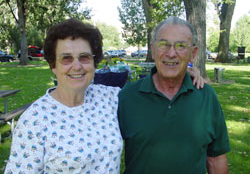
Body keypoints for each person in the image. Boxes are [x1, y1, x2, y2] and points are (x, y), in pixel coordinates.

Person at [4, 19, 123, 174]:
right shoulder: (34, 120)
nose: (77, 66)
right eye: (66, 58)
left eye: (84, 57)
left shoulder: (110, 98)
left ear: (94, 62)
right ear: (53, 65)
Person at [118, 17, 230, 174]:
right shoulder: (126, 97)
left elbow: (216, 159)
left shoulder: (206, 97)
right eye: (164, 44)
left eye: (181, 46)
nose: (171, 53)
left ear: (193, 53)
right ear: (153, 49)